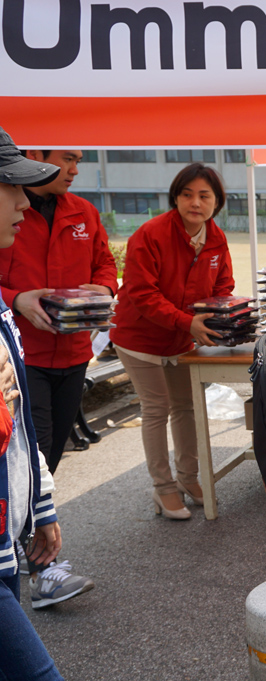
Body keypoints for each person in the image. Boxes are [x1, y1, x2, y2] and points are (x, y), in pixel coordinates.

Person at [0, 146, 107, 608]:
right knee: (33, 446)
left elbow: (105, 264)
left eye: (79, 160)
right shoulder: (9, 210)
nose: (74, 170)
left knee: (49, 454)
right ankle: (43, 568)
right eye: (66, 158)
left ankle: (28, 542)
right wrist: (17, 297)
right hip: (24, 357)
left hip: (75, 350)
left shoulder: (84, 211)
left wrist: (104, 287)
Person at [110, 163, 234, 521]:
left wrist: (218, 315)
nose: (195, 202)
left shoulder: (216, 237)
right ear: (176, 197)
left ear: (217, 202)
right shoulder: (150, 234)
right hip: (140, 338)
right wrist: (187, 322)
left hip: (183, 338)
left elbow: (223, 285)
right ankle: (163, 488)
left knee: (187, 406)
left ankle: (189, 478)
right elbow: (141, 293)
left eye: (204, 195)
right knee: (157, 408)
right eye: (187, 194)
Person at [0, 125, 67, 680]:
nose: (24, 200)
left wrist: (38, 508)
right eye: (11, 186)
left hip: (8, 543)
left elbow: (15, 428)